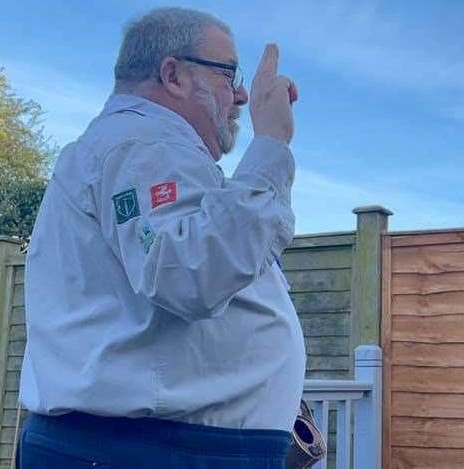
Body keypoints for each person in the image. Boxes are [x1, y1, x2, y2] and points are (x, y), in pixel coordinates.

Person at [16, 7, 305, 468]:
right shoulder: (145, 142)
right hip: (150, 448)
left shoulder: (138, 145)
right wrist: (271, 143)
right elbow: (191, 272)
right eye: (229, 74)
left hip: (147, 444)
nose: (243, 95)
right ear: (173, 74)